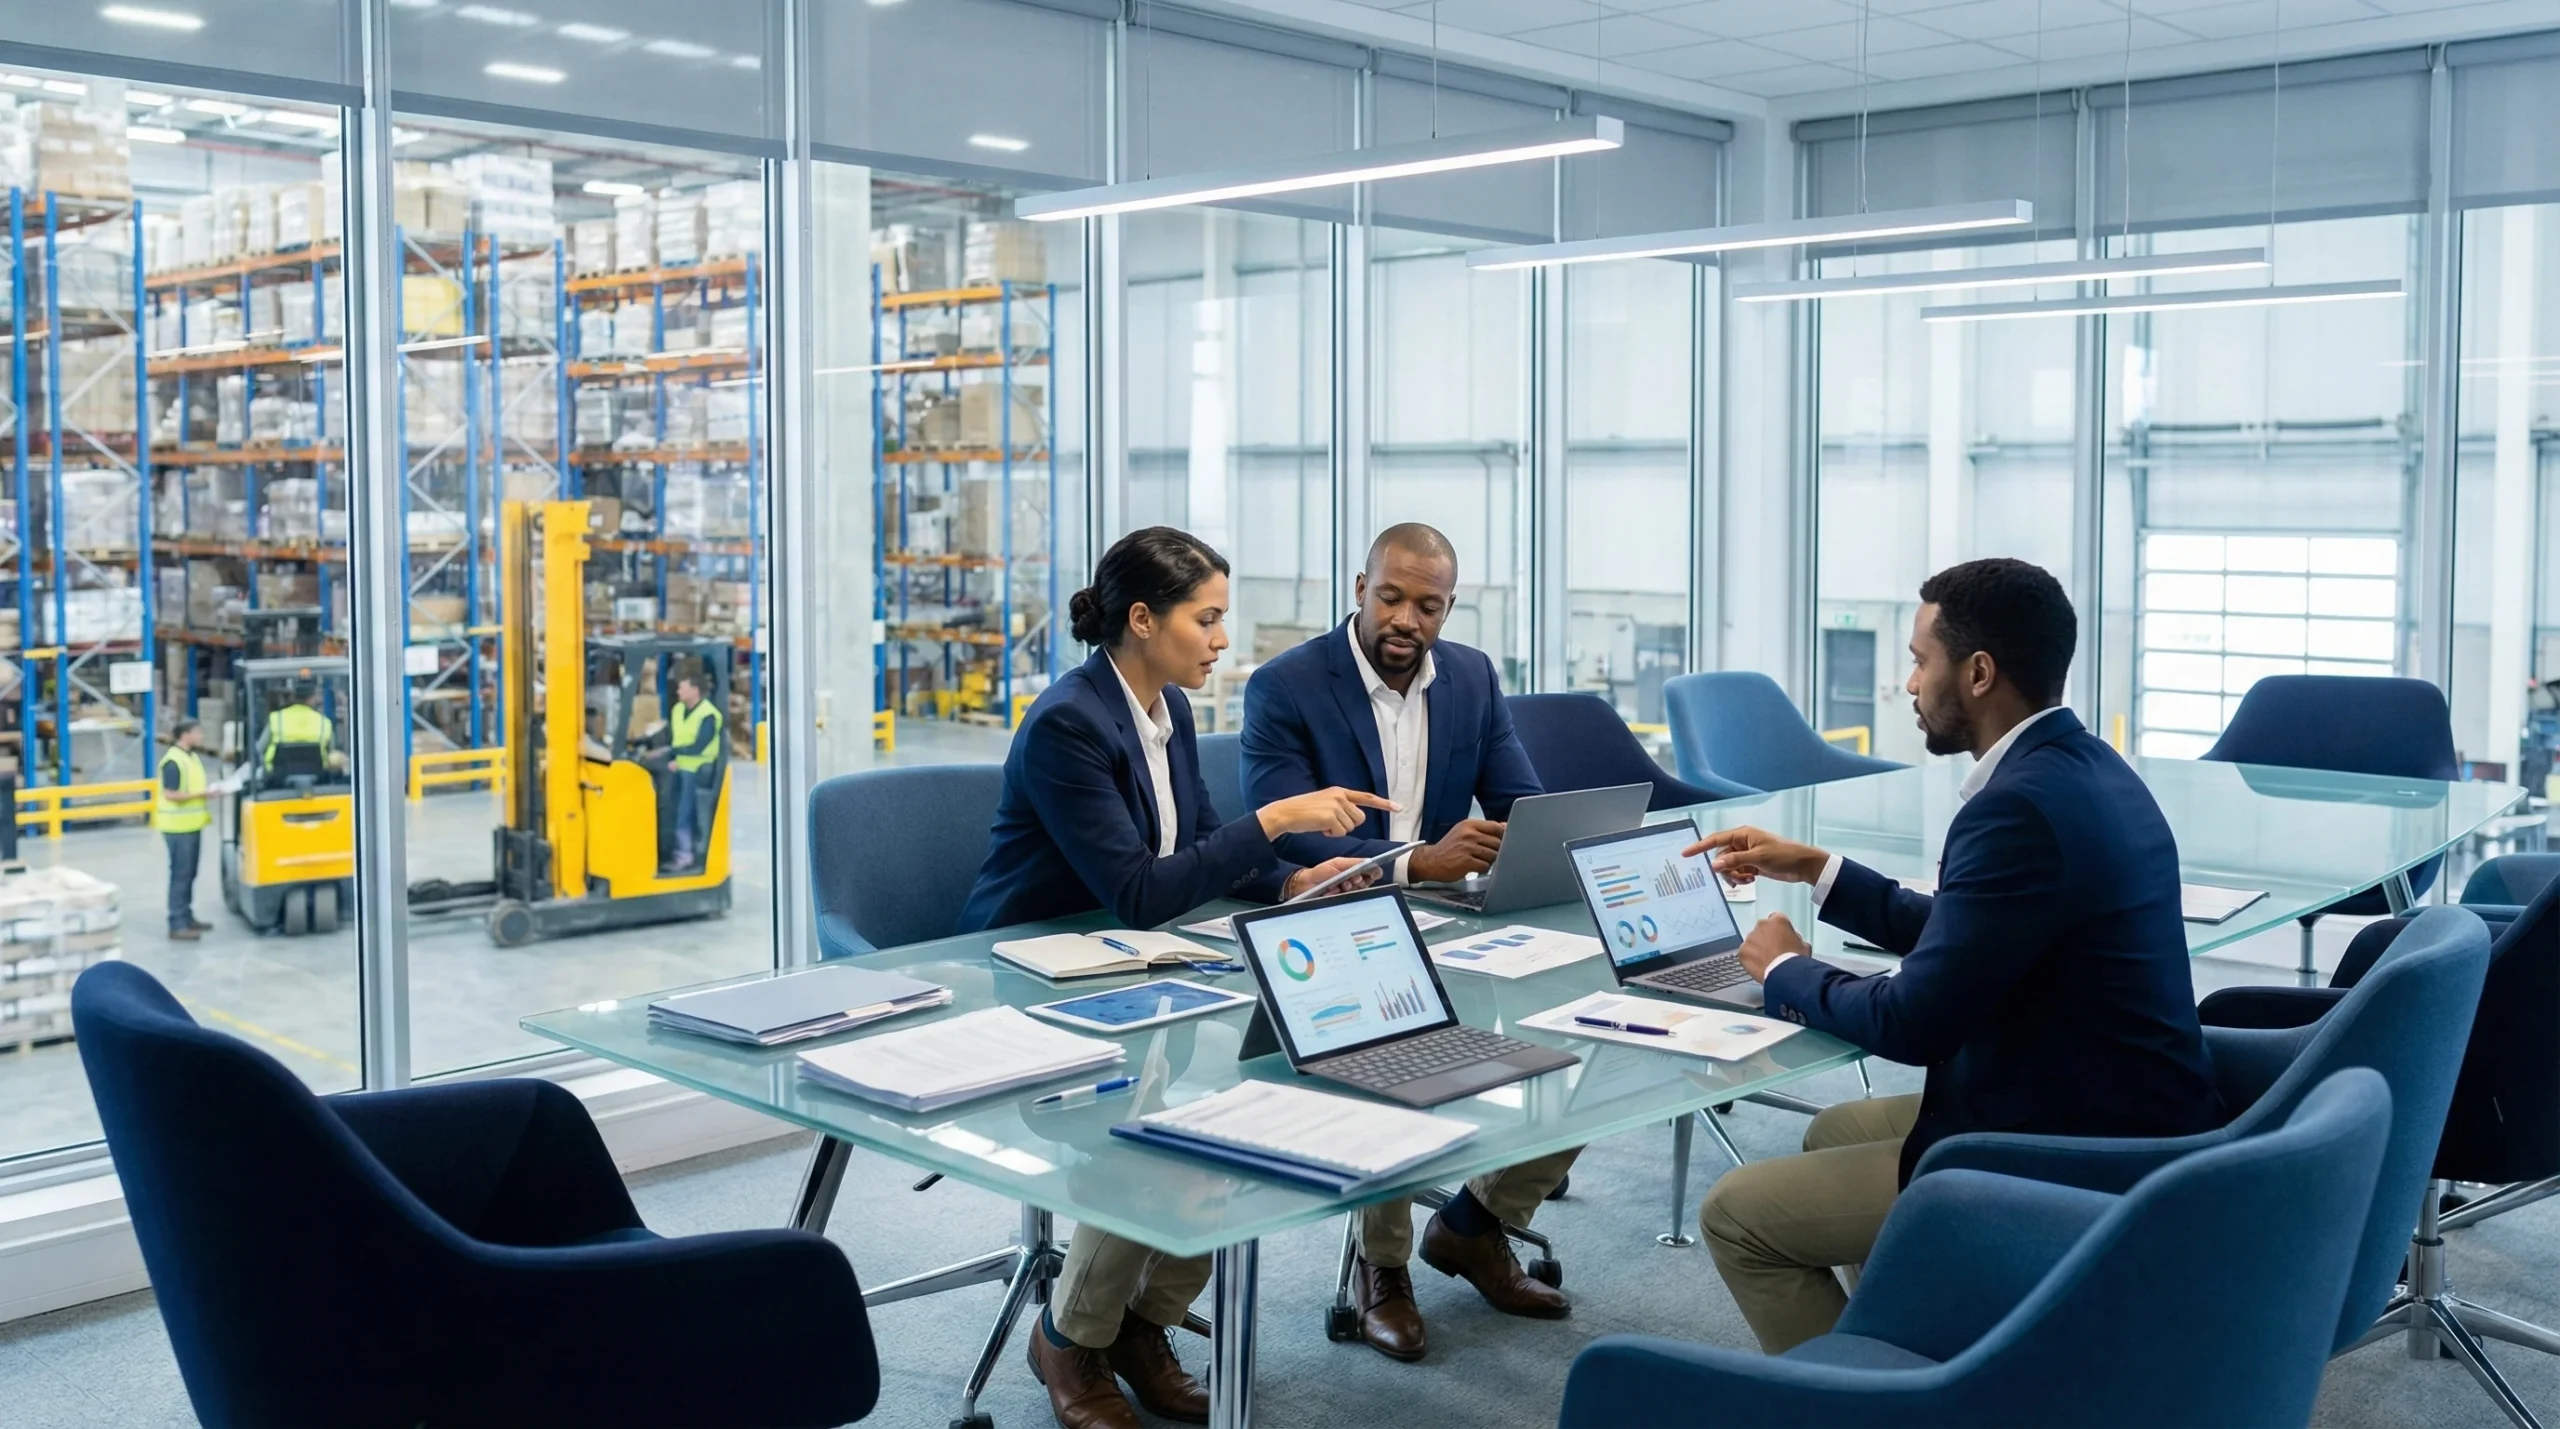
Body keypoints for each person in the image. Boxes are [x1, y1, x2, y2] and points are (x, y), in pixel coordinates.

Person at [1688, 557, 2224, 1354]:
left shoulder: (2016, 810)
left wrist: (1782, 970)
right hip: (2115, 1105)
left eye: (1918, 660)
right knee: (1833, 1130)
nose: (1908, 684)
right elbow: (1979, 930)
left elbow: (1914, 1022)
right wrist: (1816, 870)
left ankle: (1862, 1409)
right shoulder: (2088, 767)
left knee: (1736, 1215)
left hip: (2066, 1148)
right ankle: (1910, 1344)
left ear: (1977, 672)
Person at [958, 525, 1392, 1429]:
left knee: (1239, 1114)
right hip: (1039, 974)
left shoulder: (1170, 710)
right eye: (1210, 618)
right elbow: (1138, 891)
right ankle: (1071, 1339)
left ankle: (1141, 1323)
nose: (1224, 639)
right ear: (1144, 619)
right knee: (1160, 1135)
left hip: (1132, 962)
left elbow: (1196, 845)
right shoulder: (1069, 724)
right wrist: (1272, 821)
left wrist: (1287, 878)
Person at [1240, 521, 1573, 1360]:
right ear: (1360, 587)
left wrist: (1523, 843)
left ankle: (1479, 1221)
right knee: (1388, 1047)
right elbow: (1281, 839)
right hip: (1339, 921)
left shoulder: (1471, 675)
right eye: (1391, 596)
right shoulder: (1285, 686)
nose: (1406, 619)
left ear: (1448, 608)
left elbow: (1518, 800)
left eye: (1428, 605)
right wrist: (1413, 861)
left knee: (1590, 1024)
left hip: (1451, 915)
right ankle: (1381, 1268)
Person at [156, 719, 212, 942]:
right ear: (185, 735)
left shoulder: (192, 757)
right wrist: (203, 795)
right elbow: (171, 794)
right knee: (181, 874)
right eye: (198, 732)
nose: (201, 736)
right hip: (177, 828)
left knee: (190, 873)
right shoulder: (173, 761)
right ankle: (177, 924)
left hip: (191, 825)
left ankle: (187, 917)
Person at [663, 675, 722, 871]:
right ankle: (670, 847)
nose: (678, 692)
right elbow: (673, 738)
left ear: (695, 691)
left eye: (682, 688)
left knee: (683, 812)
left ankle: (685, 855)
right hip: (679, 767)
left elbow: (699, 746)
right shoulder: (678, 709)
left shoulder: (709, 715)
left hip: (698, 771)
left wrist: (672, 754)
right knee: (667, 806)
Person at [258, 681, 333, 772]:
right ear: (312, 698)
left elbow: (260, 748)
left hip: (276, 775)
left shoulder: (276, 718)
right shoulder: (324, 722)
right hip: (317, 775)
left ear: (293, 697)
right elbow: (332, 753)